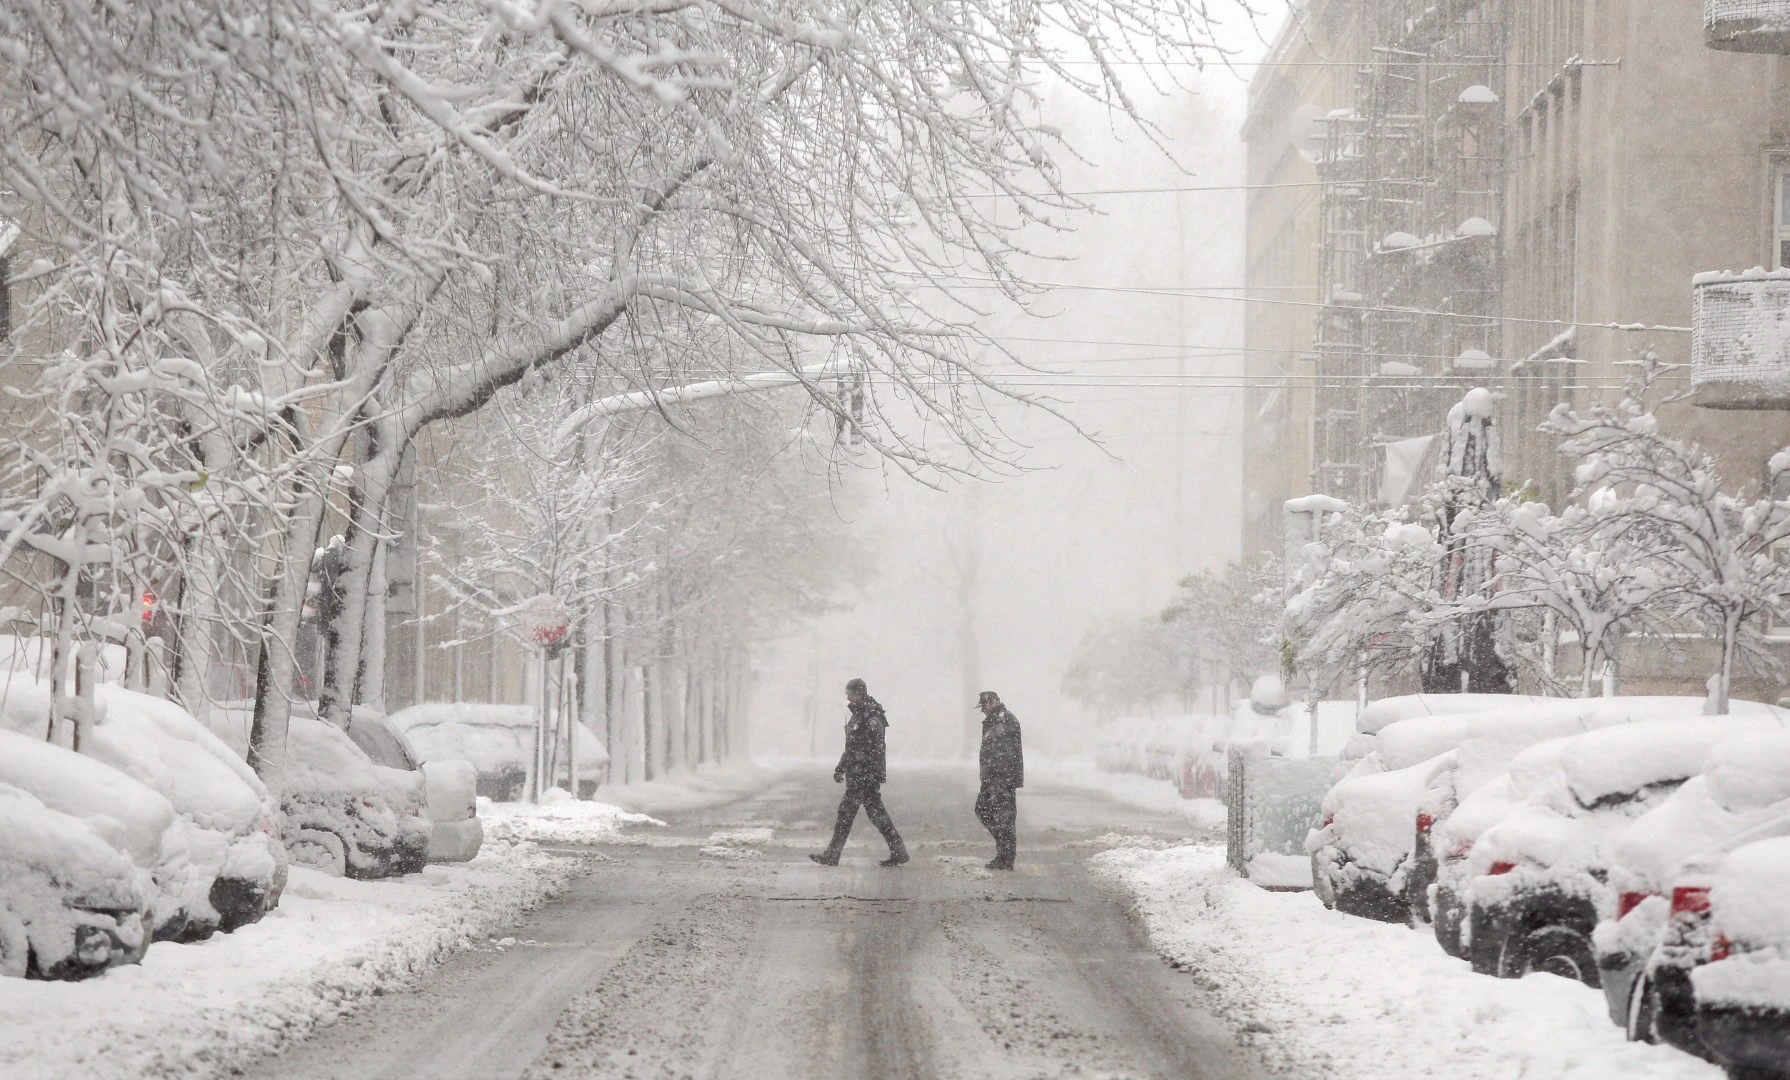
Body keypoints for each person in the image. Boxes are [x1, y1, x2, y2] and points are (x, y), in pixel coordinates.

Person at [811, 678, 909, 867]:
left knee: (847, 813)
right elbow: (852, 746)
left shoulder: (871, 714)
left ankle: (833, 855)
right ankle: (899, 851)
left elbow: (872, 746)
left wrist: (862, 768)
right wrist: (841, 767)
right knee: (873, 813)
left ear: (859, 693)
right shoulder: (859, 713)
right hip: (859, 773)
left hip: (865, 774)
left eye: (850, 693)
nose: (847, 696)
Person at [974, 690, 1023, 870]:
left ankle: (1006, 857)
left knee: (1004, 818)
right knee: (984, 810)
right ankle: (1004, 852)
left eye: (984, 705)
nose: (982, 710)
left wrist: (999, 779)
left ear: (993, 702)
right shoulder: (995, 720)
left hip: (1001, 779)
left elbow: (1003, 752)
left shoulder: (1003, 720)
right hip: (993, 778)